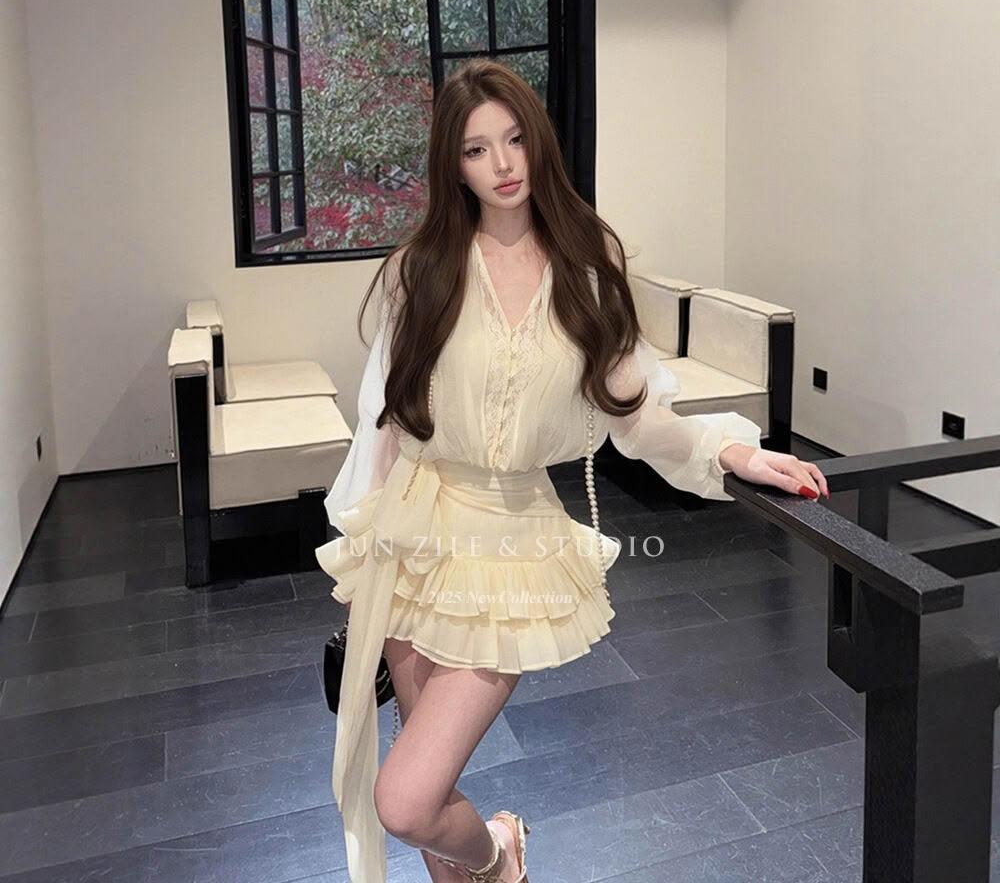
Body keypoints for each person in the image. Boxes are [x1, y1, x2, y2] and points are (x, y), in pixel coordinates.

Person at [316, 58, 830, 883]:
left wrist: (733, 451)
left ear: (539, 142)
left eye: (515, 139)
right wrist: (361, 546)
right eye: (477, 149)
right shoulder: (426, 269)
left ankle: (501, 851)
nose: (503, 163)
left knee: (407, 800)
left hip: (511, 542)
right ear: (454, 165)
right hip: (414, 533)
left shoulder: (586, 268)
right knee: (428, 816)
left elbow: (635, 414)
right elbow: (391, 418)